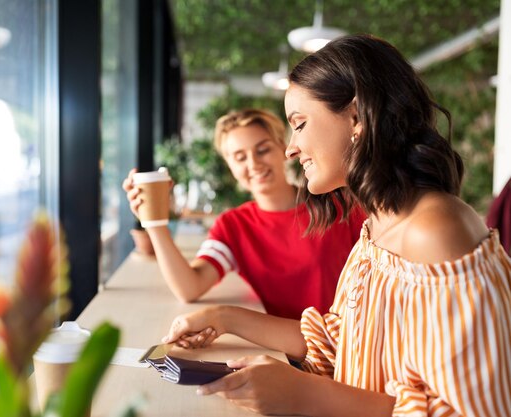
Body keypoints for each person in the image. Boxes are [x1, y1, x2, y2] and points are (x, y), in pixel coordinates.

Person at [161, 34, 511, 416]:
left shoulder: (437, 230)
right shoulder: (378, 225)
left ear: (356, 117)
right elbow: (339, 342)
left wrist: (302, 395)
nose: (291, 148)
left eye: (299, 124)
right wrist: (223, 317)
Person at [123, 109, 366, 320]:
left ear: (283, 147)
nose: (254, 163)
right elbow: (189, 287)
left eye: (262, 150)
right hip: (278, 353)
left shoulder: (340, 204)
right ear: (230, 166)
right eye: (240, 157)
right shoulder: (234, 226)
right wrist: (154, 222)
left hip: (340, 350)